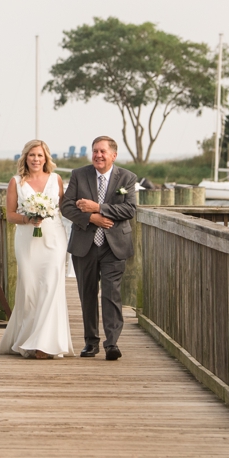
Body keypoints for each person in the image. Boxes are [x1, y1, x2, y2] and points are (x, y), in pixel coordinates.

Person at [59, 135, 138, 360]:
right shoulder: (79, 175)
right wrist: (91, 218)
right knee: (88, 294)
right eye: (95, 151)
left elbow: (130, 209)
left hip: (115, 246)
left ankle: (112, 343)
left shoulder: (127, 178)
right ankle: (90, 342)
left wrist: (99, 207)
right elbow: (66, 207)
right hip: (85, 245)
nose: (98, 155)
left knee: (111, 294)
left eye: (103, 151)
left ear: (113, 155)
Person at [0, 139, 73, 359]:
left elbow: (65, 208)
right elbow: (10, 215)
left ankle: (44, 344)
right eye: (32, 155)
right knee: (30, 289)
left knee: (51, 286)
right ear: (25, 157)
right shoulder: (16, 182)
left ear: (46, 158)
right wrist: (27, 219)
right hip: (27, 239)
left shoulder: (56, 179)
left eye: (40, 155)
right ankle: (27, 339)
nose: (36, 159)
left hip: (54, 239)